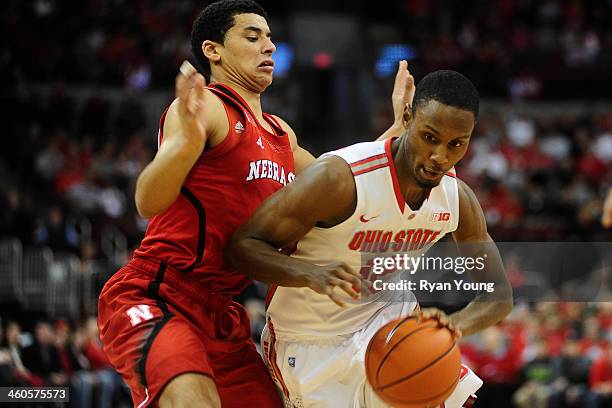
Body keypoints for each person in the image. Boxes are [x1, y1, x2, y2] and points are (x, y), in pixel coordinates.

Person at [97, 0, 413, 407]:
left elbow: (344, 183)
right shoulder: (207, 107)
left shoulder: (282, 134)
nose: (269, 47)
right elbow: (147, 200)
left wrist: (400, 135)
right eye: (252, 36)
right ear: (213, 50)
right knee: (191, 399)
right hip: (156, 294)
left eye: (269, 38)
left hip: (222, 314)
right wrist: (186, 145)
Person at [226, 70, 514, 407]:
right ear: (407, 119)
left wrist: (453, 324)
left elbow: (499, 297)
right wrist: (311, 274)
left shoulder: (457, 200)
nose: (440, 156)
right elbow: (241, 247)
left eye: (456, 144)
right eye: (430, 137)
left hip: (392, 325)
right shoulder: (339, 179)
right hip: (311, 340)